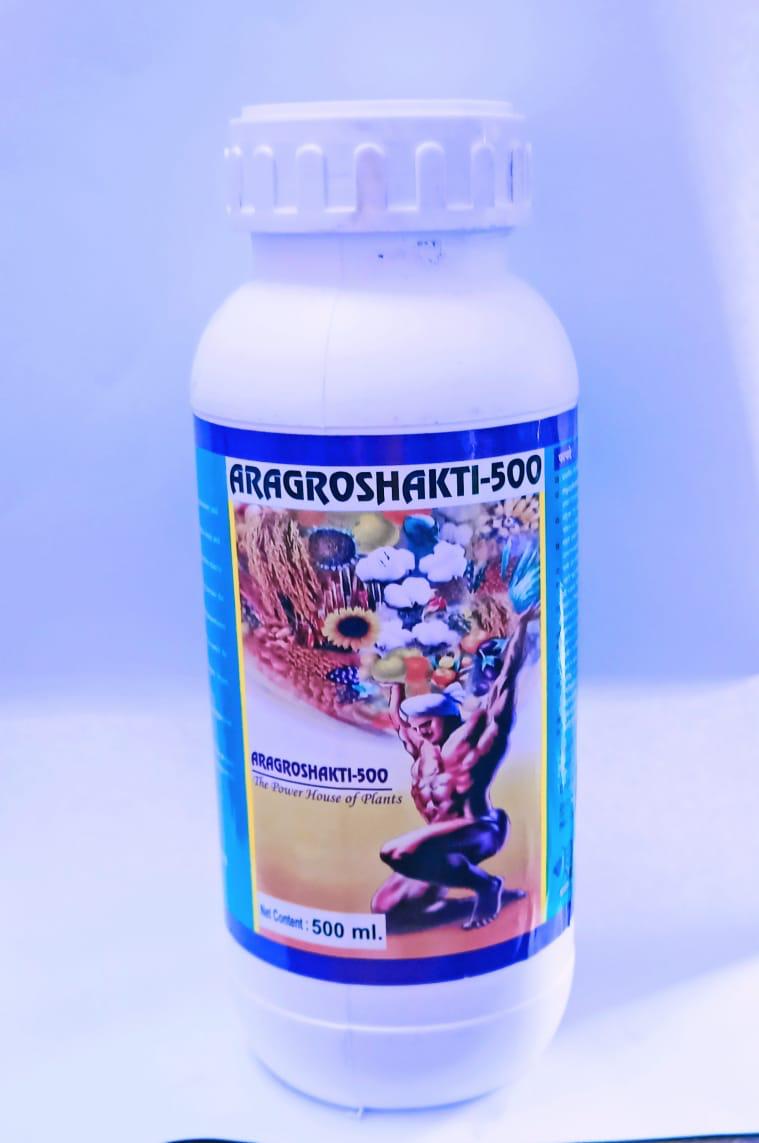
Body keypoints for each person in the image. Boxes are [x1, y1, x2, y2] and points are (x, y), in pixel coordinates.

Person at [371, 608, 535, 930]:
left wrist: (521, 627)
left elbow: (504, 682)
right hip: (442, 848)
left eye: (427, 723)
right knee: (385, 909)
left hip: (479, 830)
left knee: (396, 852)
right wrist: (395, 685)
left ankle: (487, 887)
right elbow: (399, 722)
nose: (421, 730)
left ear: (447, 717)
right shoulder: (422, 750)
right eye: (418, 725)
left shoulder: (474, 739)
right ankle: (478, 901)